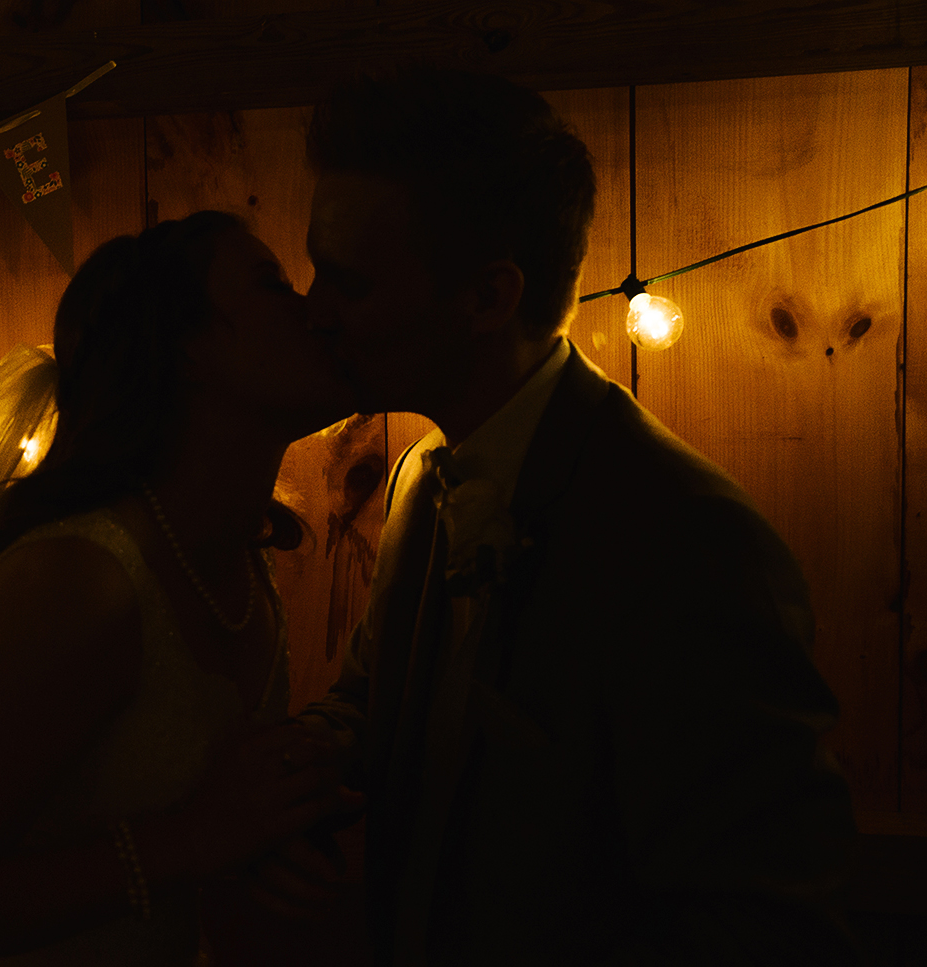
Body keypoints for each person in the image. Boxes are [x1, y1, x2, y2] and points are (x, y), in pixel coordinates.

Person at [257, 65, 859, 964]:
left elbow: (764, 922)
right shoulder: (427, 477)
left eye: (350, 283)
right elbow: (377, 701)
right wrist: (288, 776)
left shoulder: (692, 543)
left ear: (489, 297)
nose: (316, 313)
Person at [0, 210, 364, 967]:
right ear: (185, 345)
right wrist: (193, 837)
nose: (315, 309)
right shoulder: (78, 583)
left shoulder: (241, 567)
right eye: (271, 283)